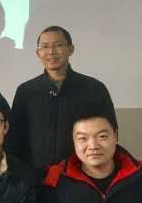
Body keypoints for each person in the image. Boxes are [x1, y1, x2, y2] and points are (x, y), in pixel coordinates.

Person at [8, 25, 115, 177]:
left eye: (58, 45)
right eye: (44, 46)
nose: (51, 51)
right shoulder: (26, 91)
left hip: (81, 177)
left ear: (71, 49)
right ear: (38, 53)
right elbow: (15, 137)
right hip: (35, 178)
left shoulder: (93, 89)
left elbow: (109, 133)